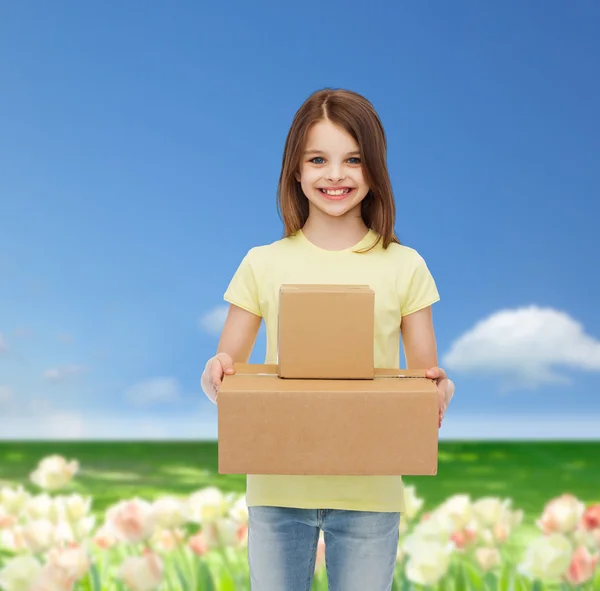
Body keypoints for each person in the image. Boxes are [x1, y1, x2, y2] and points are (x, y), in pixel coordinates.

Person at [201, 88, 455, 591]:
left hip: (370, 490)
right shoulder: (262, 262)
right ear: (296, 171)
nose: (334, 175)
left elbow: (422, 380)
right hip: (276, 484)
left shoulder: (405, 266)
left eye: (353, 160)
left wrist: (439, 392)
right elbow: (227, 368)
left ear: (374, 170)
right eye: (318, 159)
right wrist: (216, 375)